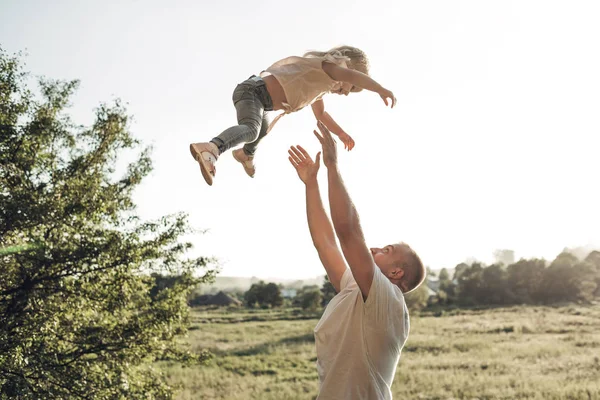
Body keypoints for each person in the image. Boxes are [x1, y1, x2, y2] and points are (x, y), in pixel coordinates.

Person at [287, 121, 426, 399]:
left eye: (386, 249)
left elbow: (348, 232)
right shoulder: (358, 290)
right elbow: (325, 243)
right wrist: (311, 183)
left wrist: (332, 166)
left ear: (397, 272)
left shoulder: (387, 301)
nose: (374, 248)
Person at [190, 45, 396, 186]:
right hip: (252, 92)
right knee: (252, 129)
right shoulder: (327, 67)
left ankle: (245, 155)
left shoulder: (320, 85)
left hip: (262, 102)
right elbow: (351, 76)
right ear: (346, 65)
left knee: (262, 130)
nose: (345, 93)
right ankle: (212, 148)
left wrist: (341, 134)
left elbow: (321, 114)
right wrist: (380, 89)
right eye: (351, 88)